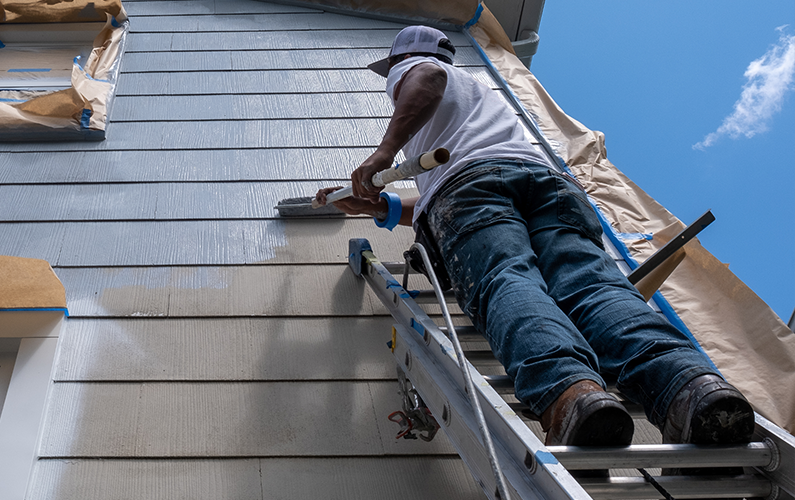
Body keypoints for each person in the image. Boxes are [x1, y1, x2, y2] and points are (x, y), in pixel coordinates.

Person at [316, 26, 755, 449]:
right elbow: (466, 179)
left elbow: (432, 93)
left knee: (507, 279)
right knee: (593, 286)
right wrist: (382, 207)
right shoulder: (477, 95)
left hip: (473, 189)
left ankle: (572, 396)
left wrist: (384, 152)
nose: (394, 79)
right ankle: (689, 386)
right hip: (545, 184)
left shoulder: (418, 68)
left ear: (401, 59)